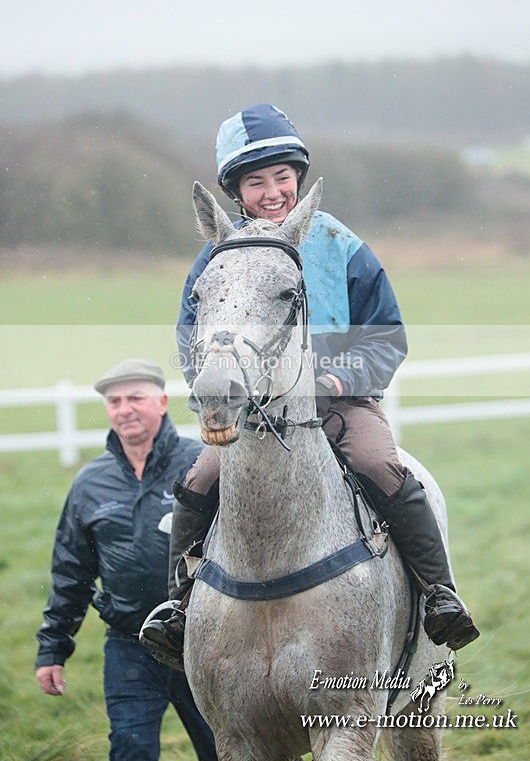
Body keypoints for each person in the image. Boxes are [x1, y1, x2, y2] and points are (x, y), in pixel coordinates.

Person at [140, 104, 479, 666]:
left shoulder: (341, 245)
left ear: (298, 175)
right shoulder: (218, 257)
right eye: (256, 181)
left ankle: (439, 595)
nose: (272, 191)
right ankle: (177, 606)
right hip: (252, 416)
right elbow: (190, 337)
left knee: (380, 467)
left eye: (281, 177)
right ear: (236, 190)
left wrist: (335, 376)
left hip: (341, 402)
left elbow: (387, 337)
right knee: (198, 480)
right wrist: (221, 388)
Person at [35, 359, 217, 761]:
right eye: (114, 401)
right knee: (130, 749)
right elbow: (71, 572)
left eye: (136, 397)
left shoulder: (203, 466)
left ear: (163, 402)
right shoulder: (90, 483)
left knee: (225, 751)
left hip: (203, 640)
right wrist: (53, 650)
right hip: (129, 645)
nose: (125, 408)